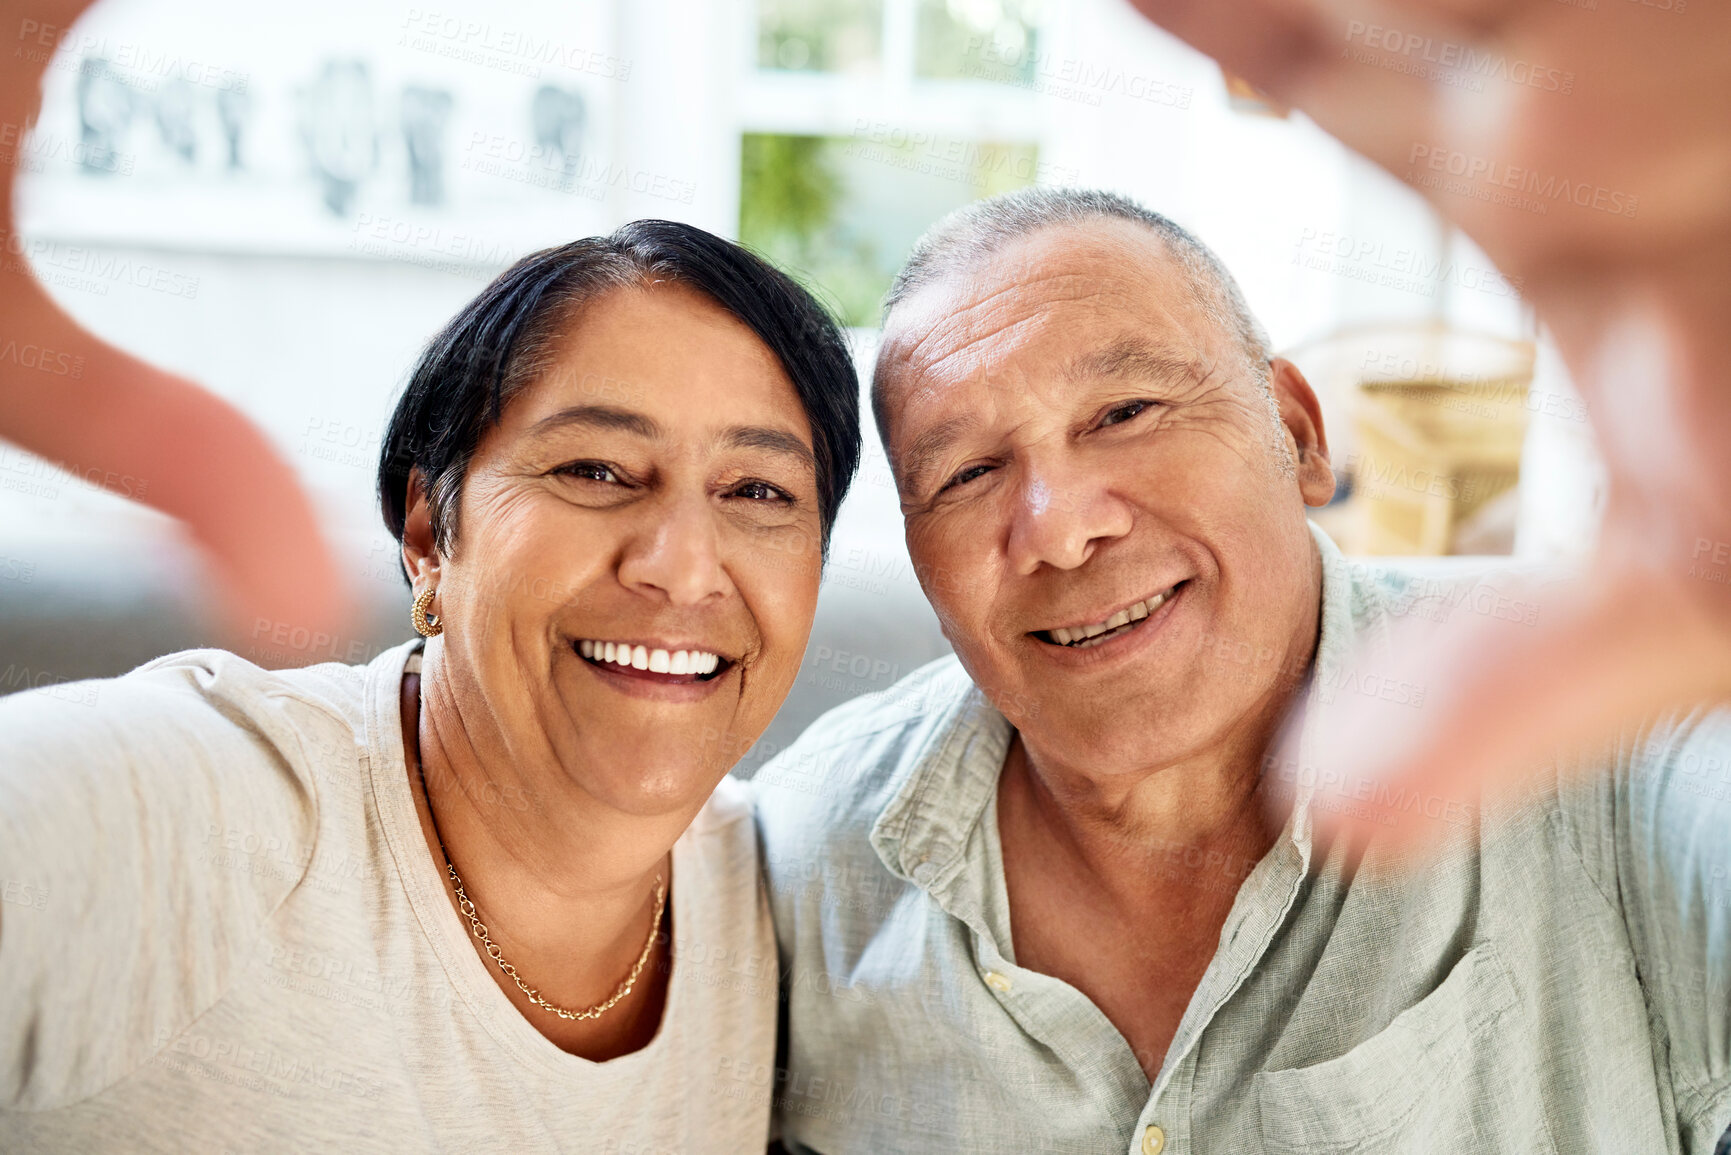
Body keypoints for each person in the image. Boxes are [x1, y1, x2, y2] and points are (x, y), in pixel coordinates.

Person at [754, 188, 1731, 1154]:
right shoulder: (798, 852)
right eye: (966, 474)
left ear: (1300, 435)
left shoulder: (1598, 734)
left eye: (1127, 411)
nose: (1057, 527)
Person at [0, 219, 861, 1153]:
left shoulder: (799, 901)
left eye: (758, 491)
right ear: (428, 533)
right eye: (596, 470)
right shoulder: (188, 810)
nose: (684, 569)